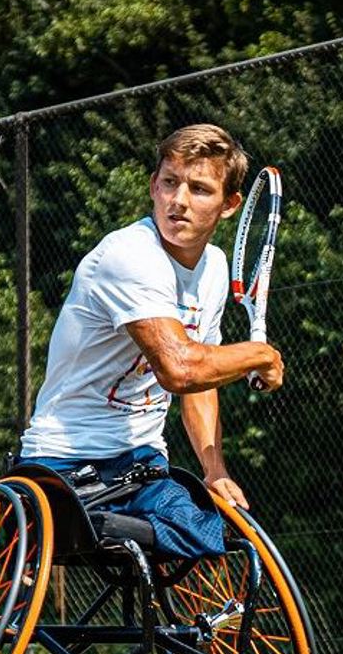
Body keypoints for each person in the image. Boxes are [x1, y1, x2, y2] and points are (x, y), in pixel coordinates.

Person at [16, 123, 283, 558]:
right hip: (63, 463)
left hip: (142, 466)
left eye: (199, 189)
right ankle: (109, 528)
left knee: (215, 533)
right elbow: (181, 369)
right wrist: (261, 354)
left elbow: (201, 382)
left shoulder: (214, 267)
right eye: (169, 182)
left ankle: (124, 531)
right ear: (153, 186)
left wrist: (214, 470)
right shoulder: (130, 254)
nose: (178, 201)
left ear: (229, 204)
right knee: (115, 531)